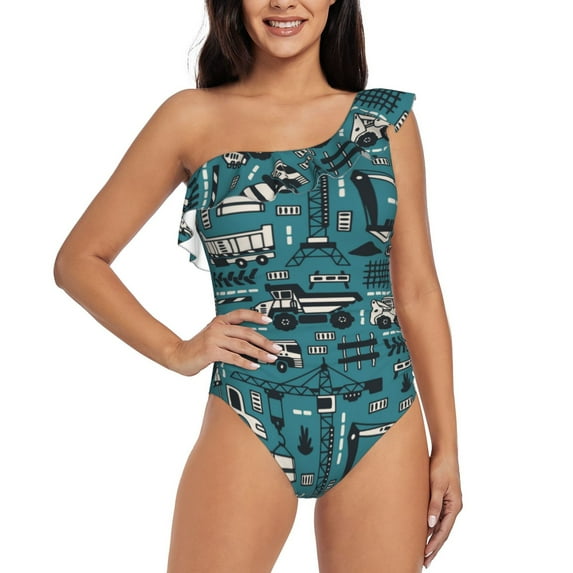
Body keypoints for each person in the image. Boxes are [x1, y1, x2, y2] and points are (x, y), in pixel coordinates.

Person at [54, 0, 462, 571]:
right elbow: (79, 260)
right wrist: (177, 350)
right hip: (250, 408)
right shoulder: (191, 117)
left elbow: (417, 290)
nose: (283, 2)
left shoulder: (384, 122)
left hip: (385, 413)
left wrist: (447, 447)